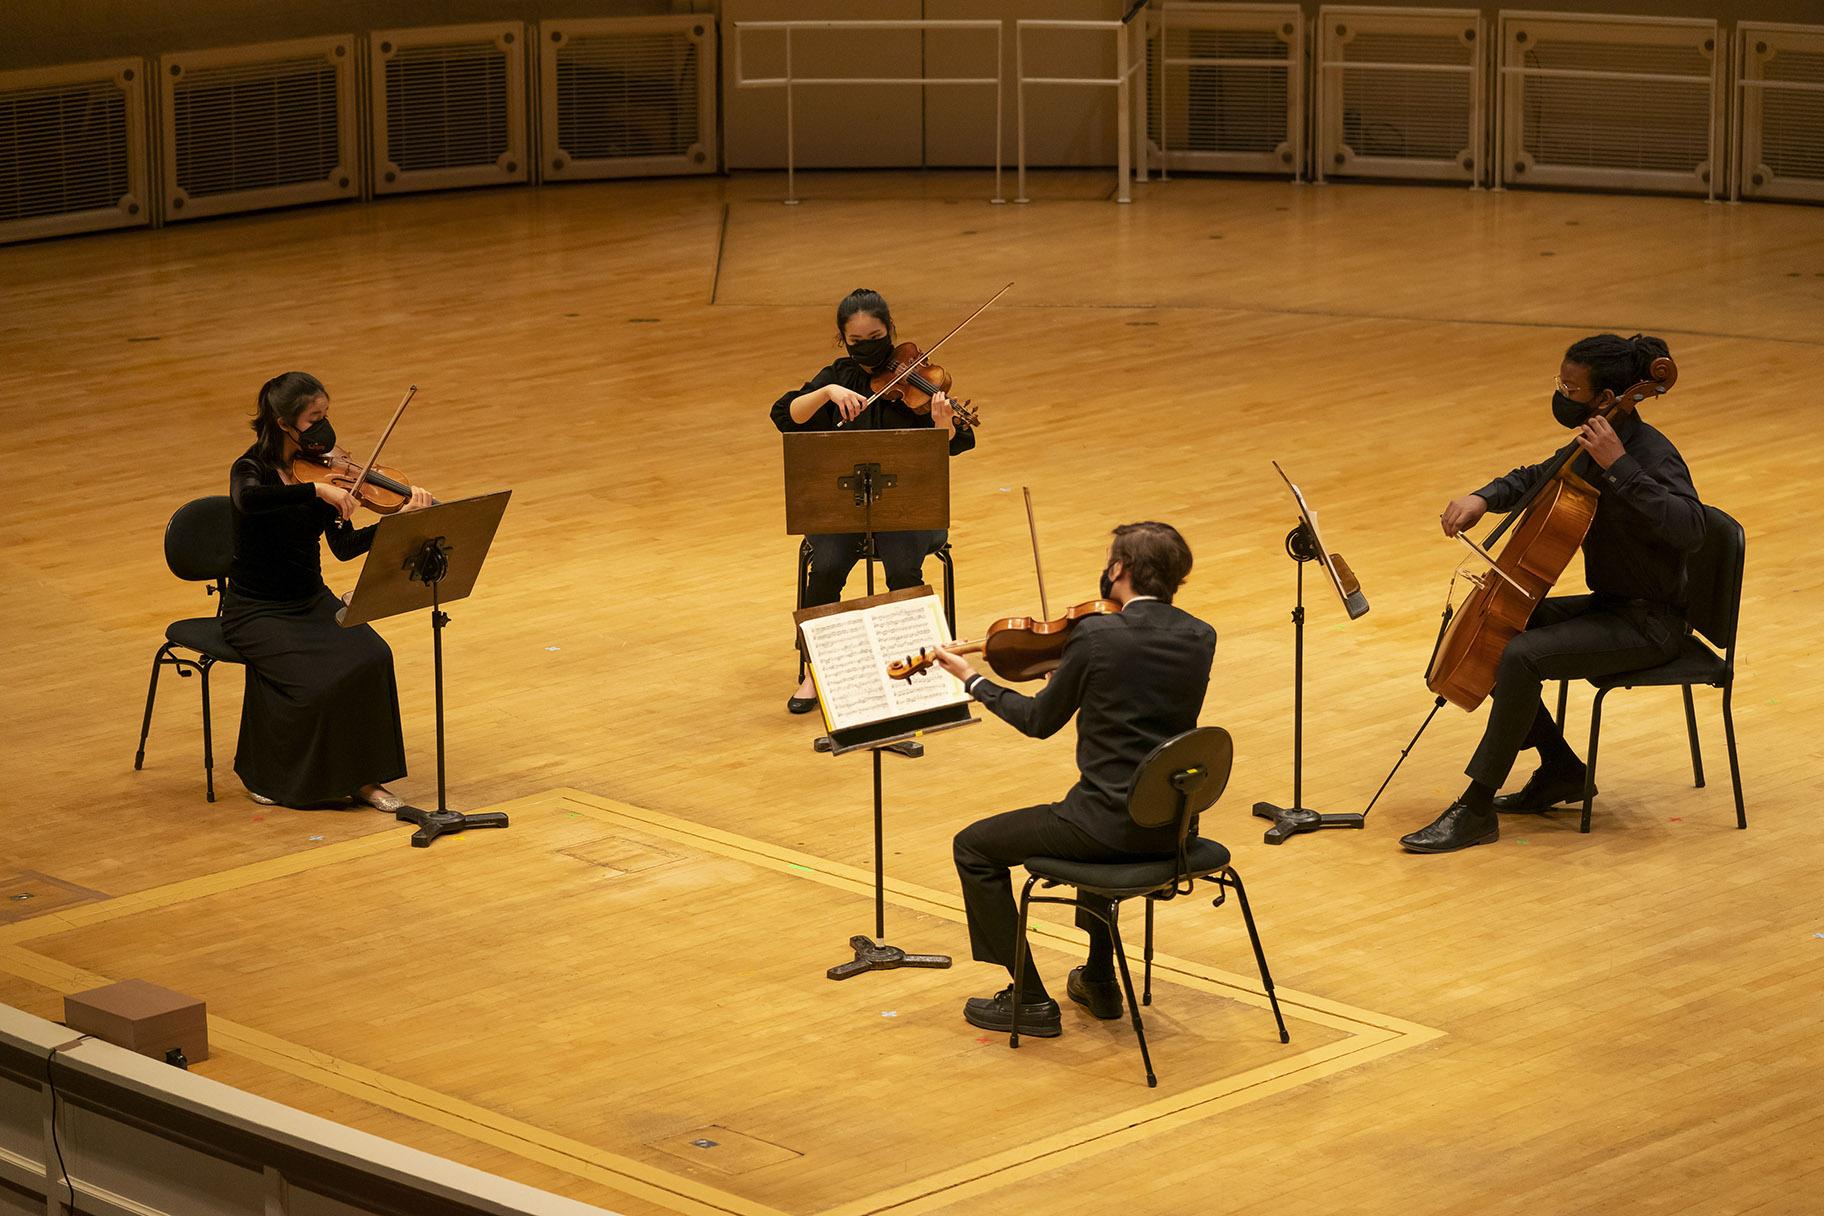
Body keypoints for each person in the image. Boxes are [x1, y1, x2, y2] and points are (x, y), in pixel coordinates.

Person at [1401, 334, 1705, 854]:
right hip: (1614, 606)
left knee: (1519, 654)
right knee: (1504, 627)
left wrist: (1621, 468)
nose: (1562, 393)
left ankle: (1476, 808)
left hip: (1652, 624)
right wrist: (1484, 497)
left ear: (1607, 397)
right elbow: (1540, 478)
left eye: (1572, 386)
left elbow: (1692, 529)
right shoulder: (1595, 438)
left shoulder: (1649, 454)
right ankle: (1563, 769)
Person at [931, 522, 1215, 1037]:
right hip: (1171, 825)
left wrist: (972, 680)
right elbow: (1142, 692)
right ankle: (1100, 979)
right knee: (1100, 813)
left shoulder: (1098, 634)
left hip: (1104, 828)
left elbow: (1039, 722)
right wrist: (1075, 673)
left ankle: (1030, 998)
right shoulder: (1199, 636)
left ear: (1119, 569)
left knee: (973, 847)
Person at [222, 372, 433, 810]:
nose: (324, 426)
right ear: (283, 423)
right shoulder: (251, 470)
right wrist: (312, 490)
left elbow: (344, 547)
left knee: (373, 656)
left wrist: (395, 522)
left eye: (326, 414)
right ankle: (273, 776)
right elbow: (249, 501)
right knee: (318, 684)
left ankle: (365, 779)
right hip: (255, 610)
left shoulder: (326, 470)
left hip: (309, 600)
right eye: (314, 417)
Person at [771, 288, 976, 714]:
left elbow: (958, 445)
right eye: (857, 342)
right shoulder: (839, 377)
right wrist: (827, 392)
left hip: (906, 511)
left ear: (891, 330)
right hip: (844, 510)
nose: (868, 348)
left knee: (903, 564)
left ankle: (913, 665)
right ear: (843, 340)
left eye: (877, 337)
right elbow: (784, 415)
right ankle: (815, 669)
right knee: (826, 564)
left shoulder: (919, 380)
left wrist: (944, 427)